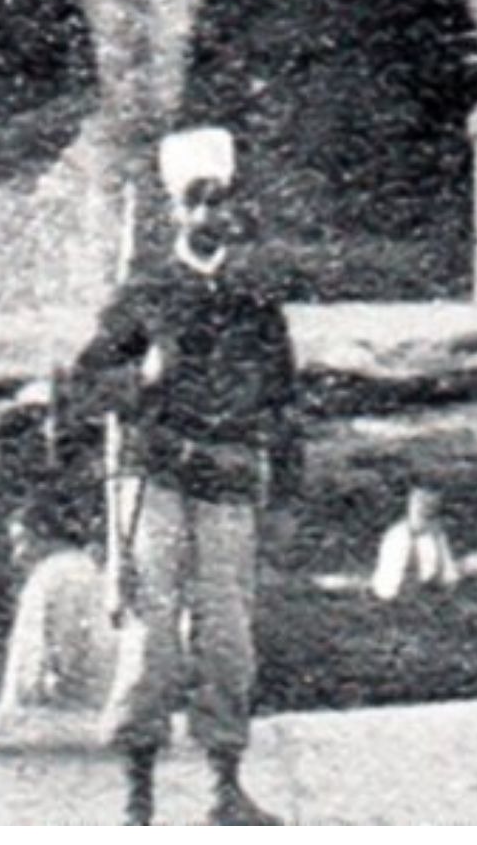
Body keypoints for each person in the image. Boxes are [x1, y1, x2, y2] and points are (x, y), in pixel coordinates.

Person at [73, 125, 300, 826]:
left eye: (219, 201)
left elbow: (283, 402)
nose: (207, 215)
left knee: (228, 637)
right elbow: (84, 386)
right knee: (152, 637)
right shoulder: (143, 292)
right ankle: (136, 793)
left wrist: (287, 495)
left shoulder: (257, 298)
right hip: (157, 480)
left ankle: (222, 786)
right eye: (194, 202)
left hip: (231, 480)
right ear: (174, 210)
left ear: (235, 208)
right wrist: (138, 374)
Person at [0, 502, 118, 711]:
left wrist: (42, 688)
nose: (17, 555)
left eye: (23, 541)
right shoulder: (86, 568)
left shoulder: (55, 575)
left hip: (61, 704)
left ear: (44, 534)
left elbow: (55, 638)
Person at [371, 485, 461, 603]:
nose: (429, 513)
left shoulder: (435, 533)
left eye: (431, 510)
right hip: (397, 596)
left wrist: (445, 585)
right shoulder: (397, 537)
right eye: (424, 508)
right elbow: (388, 586)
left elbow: (448, 576)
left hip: (426, 591)